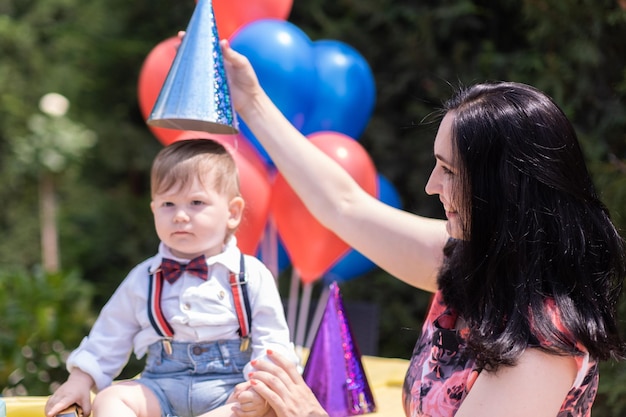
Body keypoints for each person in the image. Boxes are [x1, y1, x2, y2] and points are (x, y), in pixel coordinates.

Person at [209, 40, 626, 417]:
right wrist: (251, 102)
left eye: (449, 170)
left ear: (503, 188)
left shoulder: (542, 345)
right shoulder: (468, 261)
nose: (431, 186)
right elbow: (343, 206)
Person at [45, 139, 297, 417]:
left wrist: (258, 390)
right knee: (111, 398)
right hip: (161, 387)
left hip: (231, 390)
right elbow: (108, 334)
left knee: (262, 410)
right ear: (154, 209)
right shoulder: (144, 277)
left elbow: (272, 341)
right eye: (168, 203)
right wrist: (80, 379)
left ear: (232, 212)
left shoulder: (250, 273)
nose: (179, 215)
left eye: (196, 202)